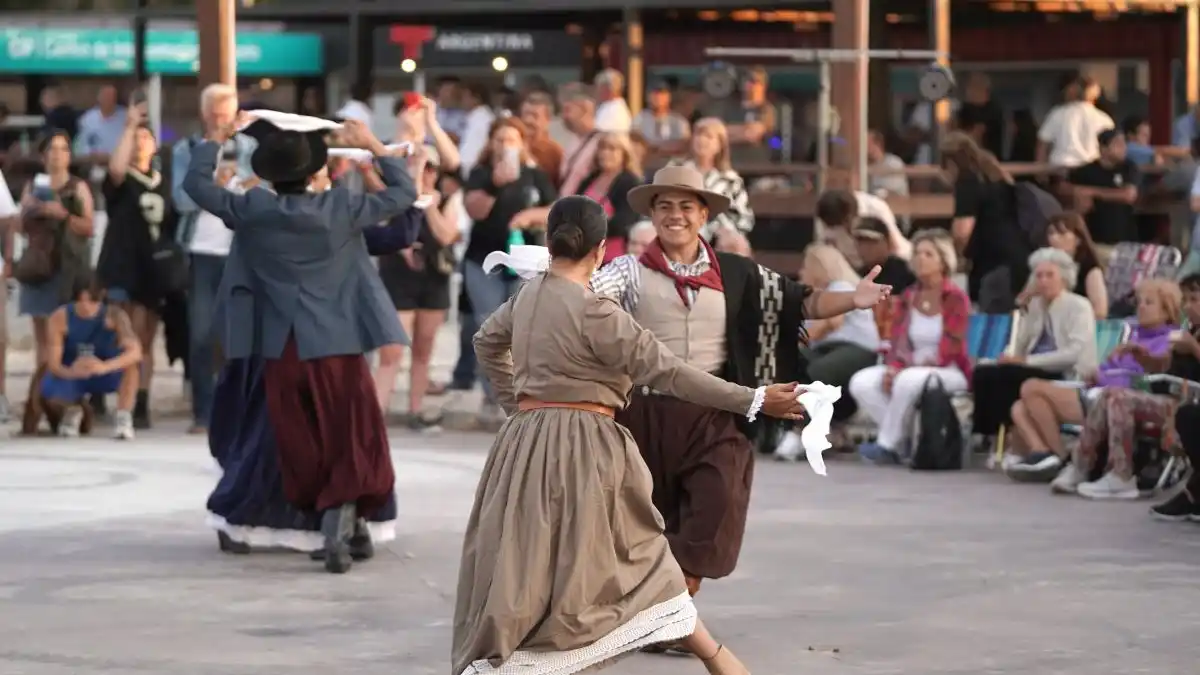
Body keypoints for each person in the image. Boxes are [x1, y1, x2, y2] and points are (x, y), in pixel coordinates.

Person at [454, 194, 806, 675]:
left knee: (533, 561)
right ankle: (713, 658)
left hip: (525, 443)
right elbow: (672, 373)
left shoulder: (528, 296)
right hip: (582, 446)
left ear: (550, 240)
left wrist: (520, 405)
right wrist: (756, 399)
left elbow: (486, 342)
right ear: (600, 250)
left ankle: (713, 657)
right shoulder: (596, 312)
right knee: (636, 552)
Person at [591, 165, 892, 602]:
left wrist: (854, 299)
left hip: (718, 410)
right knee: (647, 518)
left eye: (686, 206)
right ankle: (660, 612)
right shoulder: (628, 272)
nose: (675, 215)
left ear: (704, 216)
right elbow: (581, 297)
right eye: (665, 206)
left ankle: (676, 602)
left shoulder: (735, 273)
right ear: (653, 215)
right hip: (645, 413)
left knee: (719, 499)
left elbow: (798, 301)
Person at [182, 114, 417, 574]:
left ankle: (334, 518)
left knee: (296, 439)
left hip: (278, 347)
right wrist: (372, 144)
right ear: (315, 173)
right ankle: (341, 514)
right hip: (337, 344)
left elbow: (196, 185)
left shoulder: (252, 209)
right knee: (350, 435)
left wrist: (213, 139)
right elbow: (404, 195)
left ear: (270, 174)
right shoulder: (341, 207)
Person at [1009, 279, 1182, 492]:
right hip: (1096, 391)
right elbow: (1109, 369)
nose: (1141, 307)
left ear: (1167, 311)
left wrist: (1102, 375)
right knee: (1019, 407)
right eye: (1139, 302)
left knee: (1031, 388)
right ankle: (1048, 454)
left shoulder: (1168, 341)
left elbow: (1140, 380)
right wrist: (1098, 374)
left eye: (1149, 303)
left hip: (1117, 396)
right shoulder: (1134, 335)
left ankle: (1062, 459)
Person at [462, 117, 558, 424]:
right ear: (490, 143)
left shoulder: (534, 175)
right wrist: (494, 183)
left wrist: (531, 214)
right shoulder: (481, 174)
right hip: (484, 261)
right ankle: (491, 397)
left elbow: (553, 209)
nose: (506, 145)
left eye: (512, 139)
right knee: (488, 325)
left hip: (525, 263)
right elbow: (474, 210)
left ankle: (520, 397)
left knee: (521, 329)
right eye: (500, 139)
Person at [849, 230, 971, 464]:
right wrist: (895, 366)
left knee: (907, 380)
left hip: (948, 368)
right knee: (862, 382)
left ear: (943, 261)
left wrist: (919, 365)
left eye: (928, 254)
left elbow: (955, 343)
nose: (920, 258)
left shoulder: (955, 297)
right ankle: (903, 440)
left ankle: (887, 445)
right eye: (916, 253)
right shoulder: (907, 296)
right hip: (911, 367)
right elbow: (897, 343)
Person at [96, 99, 175, 429]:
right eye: (136, 139)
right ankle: (110, 394)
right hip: (122, 265)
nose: (141, 142)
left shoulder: (164, 181)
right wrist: (129, 126)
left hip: (153, 267)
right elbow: (114, 171)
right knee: (121, 334)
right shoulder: (121, 180)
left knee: (145, 337)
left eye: (146, 137)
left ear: (155, 145)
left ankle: (140, 399)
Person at [972, 248, 1098, 450]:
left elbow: (1073, 354)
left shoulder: (1079, 306)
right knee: (984, 372)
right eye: (1038, 276)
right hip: (1030, 368)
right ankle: (988, 433)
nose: (1043, 281)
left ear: (1064, 278)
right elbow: (1019, 345)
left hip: (1066, 372)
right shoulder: (1034, 306)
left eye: (1050, 275)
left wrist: (1024, 361)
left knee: (1011, 375)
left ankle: (1011, 439)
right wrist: (1008, 355)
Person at [375, 145, 460, 429]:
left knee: (424, 348)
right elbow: (382, 230)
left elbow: (447, 235)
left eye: (429, 168)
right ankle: (378, 412)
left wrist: (430, 203)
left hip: (433, 277)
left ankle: (416, 409)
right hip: (398, 276)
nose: (424, 174)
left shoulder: (447, 199)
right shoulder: (392, 197)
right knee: (392, 351)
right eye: (417, 167)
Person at [775, 244, 880, 460]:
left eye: (806, 266)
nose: (802, 273)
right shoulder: (814, 296)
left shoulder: (840, 286)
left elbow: (833, 323)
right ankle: (800, 430)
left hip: (857, 349)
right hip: (826, 350)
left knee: (815, 372)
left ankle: (800, 434)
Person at [14, 130, 96, 373]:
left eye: (63, 149)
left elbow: (89, 226)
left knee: (63, 333)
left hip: (66, 266)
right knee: (41, 336)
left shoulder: (77, 186)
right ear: (43, 155)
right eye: (52, 149)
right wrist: (29, 210)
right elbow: (19, 228)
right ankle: (42, 393)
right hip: (39, 265)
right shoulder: (33, 185)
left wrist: (62, 214)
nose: (57, 155)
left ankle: (65, 389)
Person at [40, 273, 142, 439]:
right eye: (81, 301)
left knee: (132, 366)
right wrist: (72, 372)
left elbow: (135, 351)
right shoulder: (60, 317)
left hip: (105, 370)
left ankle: (123, 416)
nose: (86, 307)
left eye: (92, 301)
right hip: (73, 372)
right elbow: (53, 363)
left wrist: (104, 367)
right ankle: (73, 409)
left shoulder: (115, 315)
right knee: (48, 387)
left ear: (101, 298)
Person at [941, 131, 1026, 310]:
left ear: (950, 163)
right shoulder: (996, 176)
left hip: (990, 264)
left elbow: (962, 231)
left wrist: (953, 258)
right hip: (1017, 258)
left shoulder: (967, 181)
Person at [1015, 212, 1107, 318]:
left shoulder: (1090, 270)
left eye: (1061, 233)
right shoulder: (1042, 266)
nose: (1054, 238)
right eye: (1051, 233)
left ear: (1078, 239)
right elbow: (1021, 302)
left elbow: (1100, 312)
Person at [681, 118, 755, 246]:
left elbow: (745, 218)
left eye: (708, 137)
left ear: (720, 145)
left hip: (719, 241)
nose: (702, 140)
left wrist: (725, 230)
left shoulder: (731, 180)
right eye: (698, 135)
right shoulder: (677, 172)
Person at [574, 131, 642, 263]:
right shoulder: (590, 178)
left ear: (624, 154)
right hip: (582, 252)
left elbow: (623, 222)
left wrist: (587, 228)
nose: (605, 153)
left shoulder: (629, 182)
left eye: (612, 149)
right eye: (602, 148)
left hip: (612, 257)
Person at [851, 217, 916, 293]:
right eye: (861, 242)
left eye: (872, 241)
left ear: (887, 242)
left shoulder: (905, 273)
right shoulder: (856, 276)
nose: (866, 247)